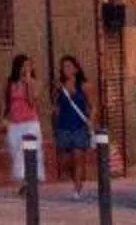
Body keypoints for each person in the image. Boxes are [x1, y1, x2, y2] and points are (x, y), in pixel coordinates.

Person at [52, 54, 95, 194]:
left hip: (79, 127)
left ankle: (77, 190)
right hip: (63, 126)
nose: (66, 69)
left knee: (78, 157)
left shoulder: (85, 86)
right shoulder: (59, 87)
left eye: (69, 66)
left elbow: (93, 106)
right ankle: (75, 179)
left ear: (76, 69)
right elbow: (56, 108)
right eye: (64, 67)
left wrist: (91, 121)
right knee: (65, 161)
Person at [4, 53, 45, 190]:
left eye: (28, 66)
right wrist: (1, 120)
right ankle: (23, 182)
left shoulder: (34, 83)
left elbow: (32, 102)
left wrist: (28, 83)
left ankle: (28, 182)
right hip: (15, 124)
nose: (26, 68)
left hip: (30, 124)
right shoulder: (10, 83)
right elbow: (6, 103)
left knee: (26, 152)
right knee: (16, 152)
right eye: (23, 66)